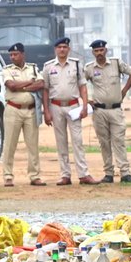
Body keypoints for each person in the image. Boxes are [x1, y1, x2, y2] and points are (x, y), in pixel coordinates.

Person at [85, 39, 131, 183]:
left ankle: (125, 173)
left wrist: (125, 90)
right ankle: (108, 173)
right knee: (104, 142)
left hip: (116, 109)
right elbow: (80, 83)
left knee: (119, 141)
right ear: (93, 52)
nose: (99, 53)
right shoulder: (89, 68)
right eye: (96, 51)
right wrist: (86, 100)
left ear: (106, 51)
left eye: (101, 50)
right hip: (99, 111)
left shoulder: (116, 63)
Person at [42, 37, 94, 186]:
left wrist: (84, 106)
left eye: (65, 47)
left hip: (73, 107)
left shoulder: (76, 65)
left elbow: (83, 86)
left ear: (69, 49)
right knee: (61, 142)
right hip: (55, 106)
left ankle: (83, 174)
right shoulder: (48, 67)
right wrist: (46, 111)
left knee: (77, 141)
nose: (62, 50)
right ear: (55, 50)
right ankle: (65, 175)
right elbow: (45, 90)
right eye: (59, 47)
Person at [0, 42, 45, 187]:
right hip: (13, 109)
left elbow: (41, 84)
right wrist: (28, 83)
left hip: (31, 110)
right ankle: (7, 175)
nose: (12, 57)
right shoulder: (7, 69)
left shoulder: (32, 68)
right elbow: (11, 86)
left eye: (15, 54)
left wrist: (21, 86)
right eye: (11, 55)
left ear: (22, 54)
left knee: (32, 145)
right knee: (9, 144)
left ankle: (34, 175)